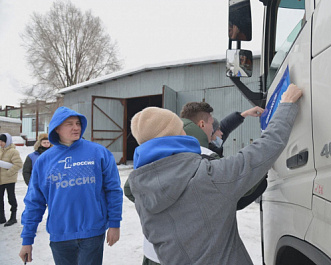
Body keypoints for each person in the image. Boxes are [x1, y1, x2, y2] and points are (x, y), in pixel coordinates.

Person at [128, 84, 302, 264]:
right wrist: (287, 105)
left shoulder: (141, 190)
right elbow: (263, 151)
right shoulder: (206, 176)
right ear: (176, 134)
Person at [19, 106, 123, 265]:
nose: (76, 127)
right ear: (57, 128)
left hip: (92, 232)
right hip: (60, 234)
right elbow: (34, 202)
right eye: (69, 124)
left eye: (78, 123)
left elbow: (113, 190)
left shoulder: (98, 153)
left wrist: (115, 223)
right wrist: (27, 240)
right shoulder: (44, 161)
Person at [0, 133, 23, 226]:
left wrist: (9, 173)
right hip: (1, 180)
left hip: (9, 179)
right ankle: (1, 218)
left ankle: (13, 217)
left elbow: (18, 165)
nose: (1, 143)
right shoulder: (0, 150)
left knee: (11, 198)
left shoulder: (13, 151)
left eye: (2, 141)